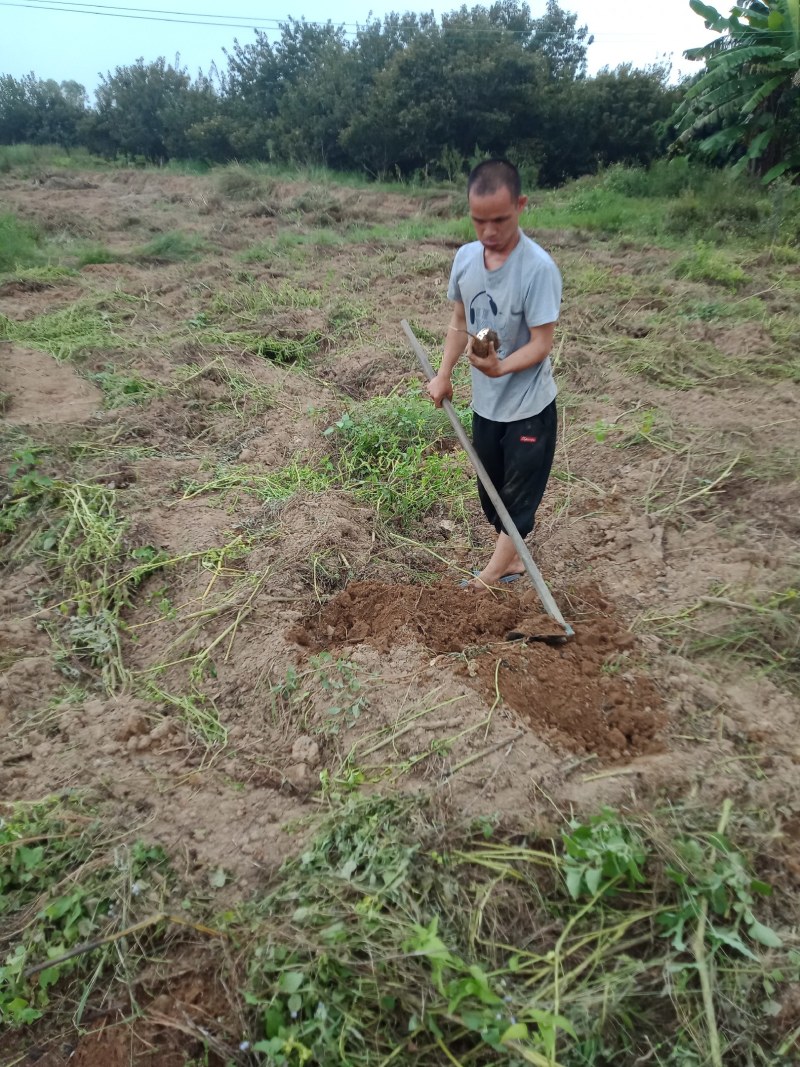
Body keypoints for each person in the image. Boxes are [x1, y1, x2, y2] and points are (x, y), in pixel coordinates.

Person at [427, 158, 562, 590]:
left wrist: (501, 366)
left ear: (521, 205)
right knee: (492, 496)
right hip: (487, 405)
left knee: (517, 499)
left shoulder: (538, 268)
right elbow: (459, 320)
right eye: (478, 220)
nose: (488, 232)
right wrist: (445, 372)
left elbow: (542, 343)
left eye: (500, 220)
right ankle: (516, 561)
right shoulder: (466, 259)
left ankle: (496, 570)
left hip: (528, 408)